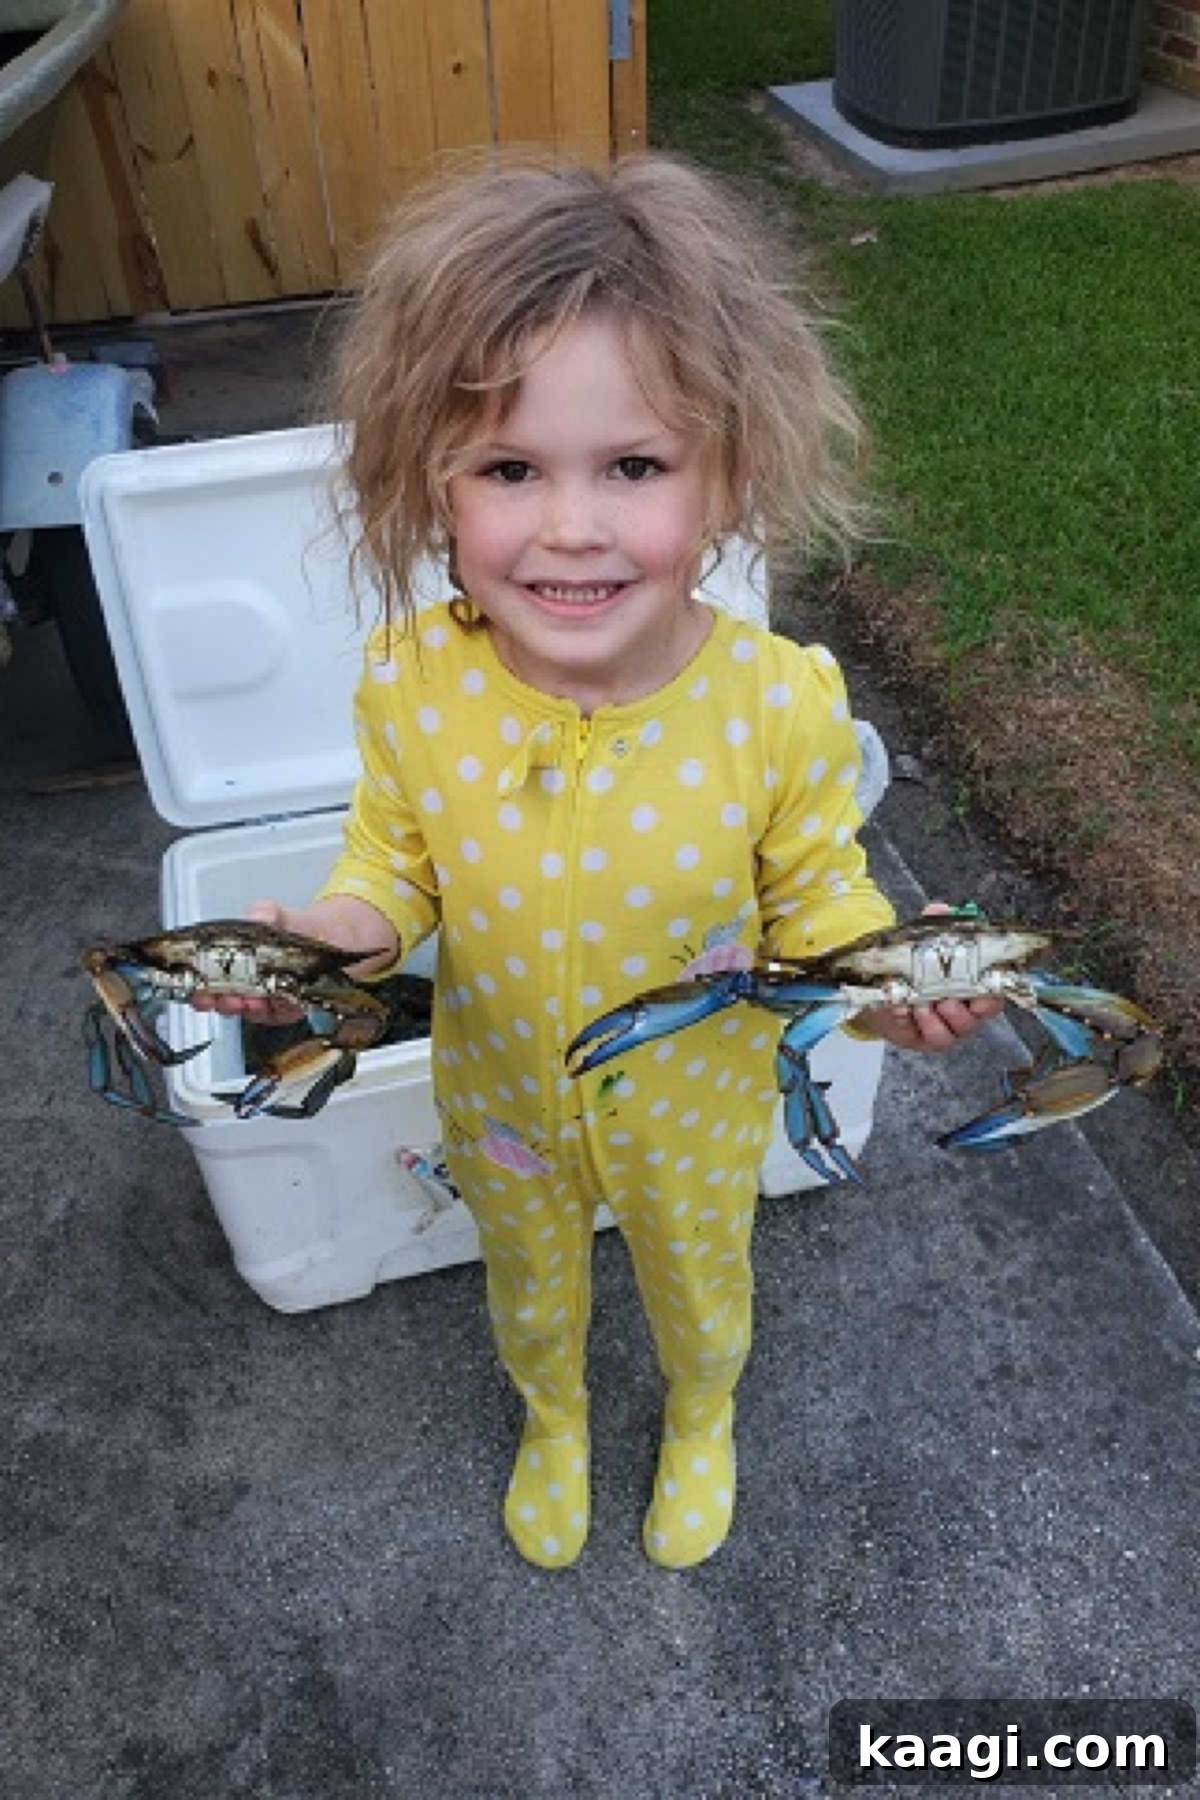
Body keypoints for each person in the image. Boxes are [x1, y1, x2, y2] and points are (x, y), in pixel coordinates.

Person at [194, 154, 1000, 1570]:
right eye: (510, 468)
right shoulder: (413, 685)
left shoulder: (778, 703)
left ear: (728, 474)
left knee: (701, 1276)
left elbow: (822, 903)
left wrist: (889, 993)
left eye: (633, 466)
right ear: (429, 484)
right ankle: (554, 1416)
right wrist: (323, 944)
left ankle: (701, 1415)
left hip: (694, 1102)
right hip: (500, 1092)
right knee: (528, 1279)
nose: (571, 526)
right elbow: (393, 870)